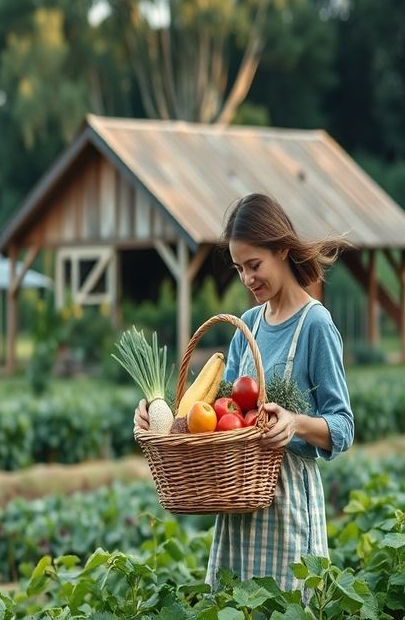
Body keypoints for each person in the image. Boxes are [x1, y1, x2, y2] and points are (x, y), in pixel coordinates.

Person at [133, 192, 355, 592]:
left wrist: (296, 424)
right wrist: (161, 415)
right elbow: (216, 414)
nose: (246, 279)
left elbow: (343, 426)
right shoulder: (246, 326)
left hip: (288, 506)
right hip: (237, 501)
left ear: (283, 250)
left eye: (254, 265)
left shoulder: (315, 324)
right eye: (238, 268)